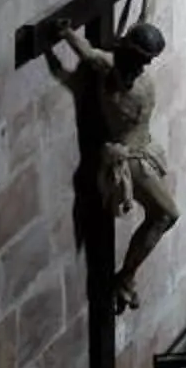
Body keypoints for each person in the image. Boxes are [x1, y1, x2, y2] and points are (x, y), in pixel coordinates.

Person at [45, 19, 177, 312]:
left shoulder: (132, 69)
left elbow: (147, 12)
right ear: (129, 52)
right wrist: (66, 32)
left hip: (146, 149)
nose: (144, 67)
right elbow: (86, 54)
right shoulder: (109, 71)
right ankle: (126, 278)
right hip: (129, 160)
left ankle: (126, 279)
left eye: (148, 61)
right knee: (166, 215)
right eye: (141, 59)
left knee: (164, 216)